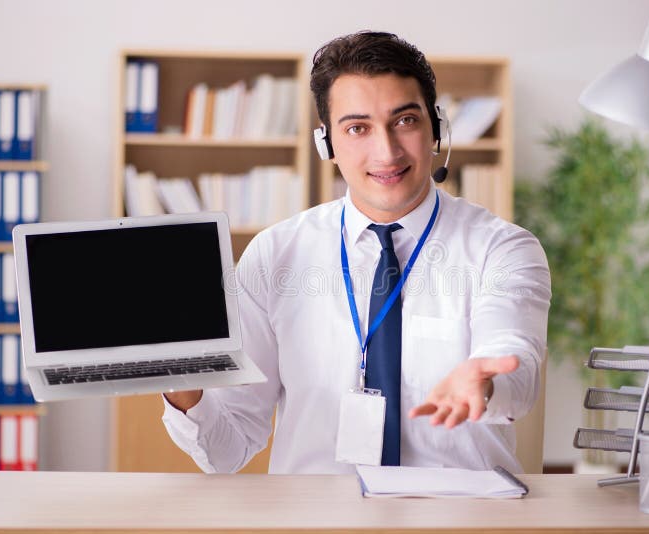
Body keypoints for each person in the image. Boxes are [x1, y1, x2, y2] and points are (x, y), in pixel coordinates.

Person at [162, 31, 551, 474]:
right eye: (358, 128)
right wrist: (185, 392)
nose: (386, 152)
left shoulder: (501, 248)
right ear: (326, 143)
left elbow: (516, 364)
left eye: (405, 120)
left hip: (455, 514)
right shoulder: (274, 255)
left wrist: (486, 382)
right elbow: (227, 452)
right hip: (315, 518)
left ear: (437, 128)